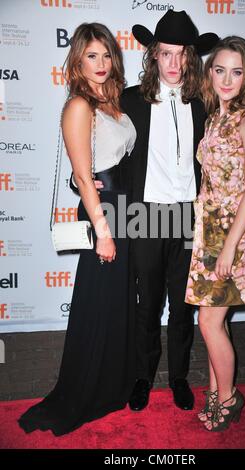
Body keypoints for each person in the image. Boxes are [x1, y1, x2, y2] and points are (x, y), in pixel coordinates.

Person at [18, 23, 136, 436]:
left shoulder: (112, 101)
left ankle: (109, 385)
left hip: (127, 211)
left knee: (117, 303)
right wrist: (102, 231)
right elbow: (85, 178)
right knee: (96, 302)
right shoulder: (79, 106)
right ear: (77, 61)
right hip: (104, 213)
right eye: (92, 56)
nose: (101, 64)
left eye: (106, 55)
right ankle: (83, 390)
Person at [120, 11, 219, 411]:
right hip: (146, 214)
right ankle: (143, 376)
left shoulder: (204, 102)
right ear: (153, 56)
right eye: (165, 54)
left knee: (182, 306)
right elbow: (105, 149)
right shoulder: (130, 99)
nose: (174, 64)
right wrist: (85, 180)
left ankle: (178, 377)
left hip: (187, 216)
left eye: (181, 55)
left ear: (191, 58)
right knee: (146, 306)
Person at [185, 36, 245, 431]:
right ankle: (214, 393)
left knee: (209, 323)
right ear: (210, 73)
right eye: (219, 69)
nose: (227, 79)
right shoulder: (213, 118)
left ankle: (228, 398)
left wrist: (229, 247)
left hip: (235, 236)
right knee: (212, 323)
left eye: (236, 71)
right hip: (210, 232)